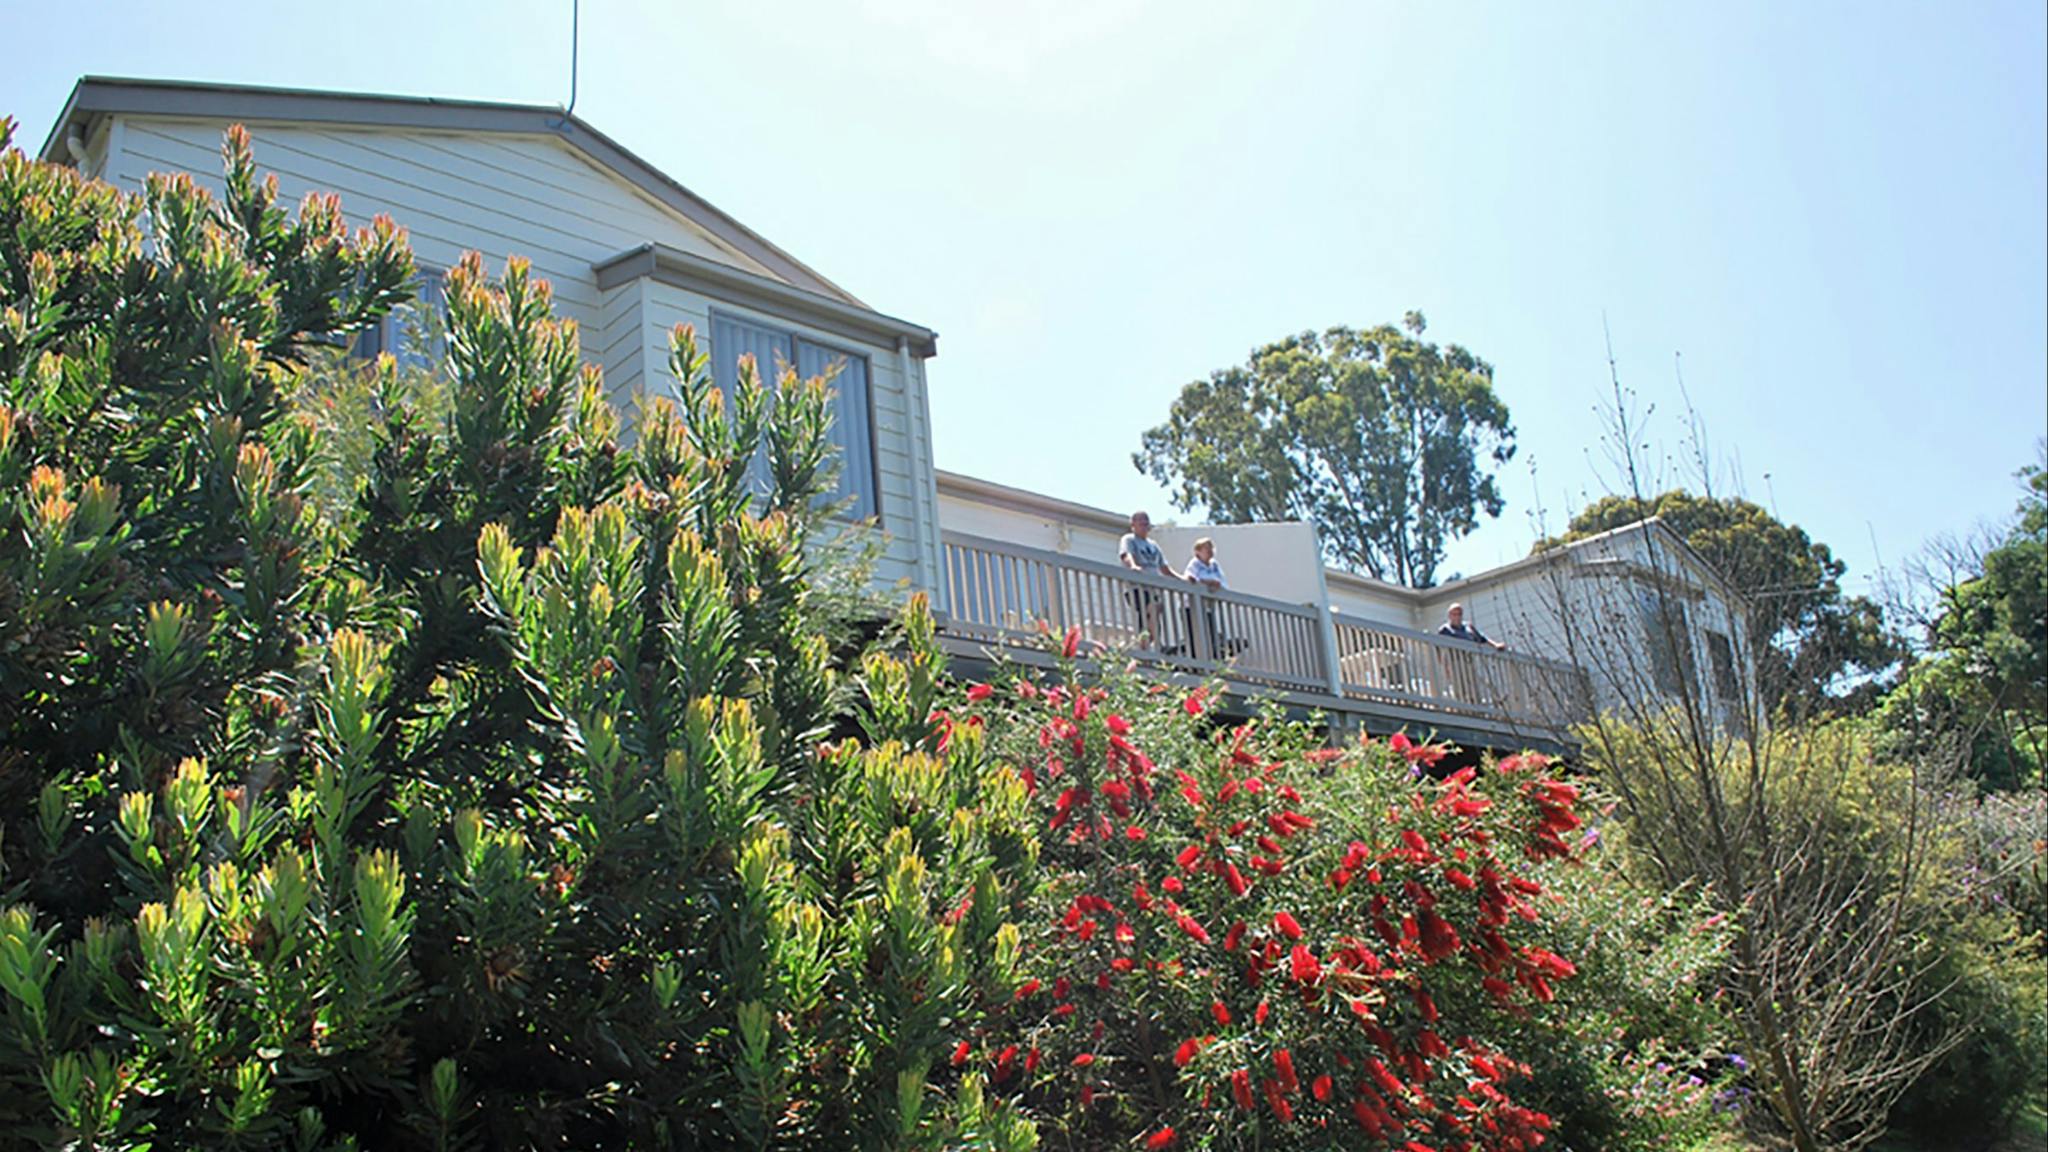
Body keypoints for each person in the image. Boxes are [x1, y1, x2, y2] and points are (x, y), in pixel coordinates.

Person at [1118, 511, 1175, 648]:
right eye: (1141, 523)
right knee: (1151, 611)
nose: (1144, 525)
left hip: (1153, 588)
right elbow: (1126, 555)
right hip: (1137, 587)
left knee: (1153, 616)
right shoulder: (1129, 539)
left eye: (1146, 523)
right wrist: (1133, 566)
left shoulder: (1153, 545)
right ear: (1133, 525)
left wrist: (1181, 579)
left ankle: (1144, 644)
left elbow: (1164, 568)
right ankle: (1152, 644)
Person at [1437, 602, 1507, 651]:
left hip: (1469, 660)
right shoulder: (1445, 629)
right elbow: (1439, 649)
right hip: (1455, 661)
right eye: (1454, 614)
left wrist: (1495, 645)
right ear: (1449, 615)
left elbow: (1482, 638)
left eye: (1459, 614)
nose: (1457, 617)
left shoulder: (1468, 626)